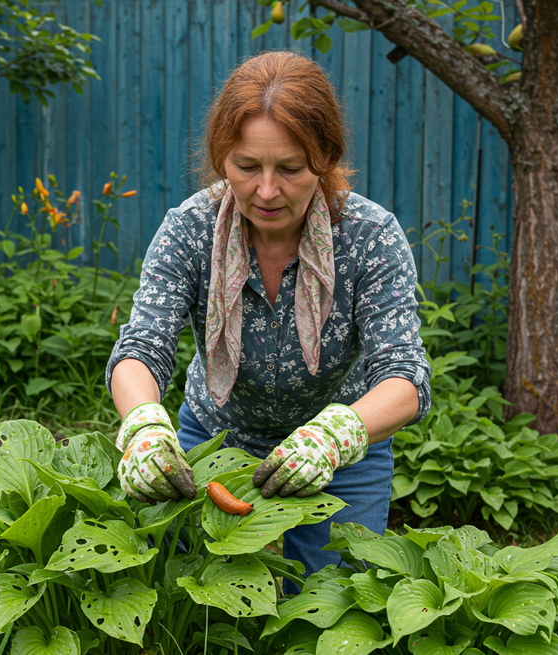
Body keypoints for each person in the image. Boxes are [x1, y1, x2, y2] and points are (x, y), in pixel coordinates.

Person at [105, 50, 431, 581]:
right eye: (247, 166)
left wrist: (333, 437)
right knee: (197, 601)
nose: (267, 191)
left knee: (338, 599)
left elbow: (406, 378)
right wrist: (142, 426)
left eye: (291, 168)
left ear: (325, 158)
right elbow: (142, 348)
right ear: (221, 158)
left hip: (344, 449)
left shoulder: (369, 236)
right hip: (212, 442)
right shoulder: (190, 229)